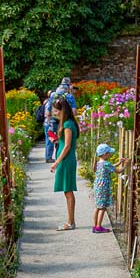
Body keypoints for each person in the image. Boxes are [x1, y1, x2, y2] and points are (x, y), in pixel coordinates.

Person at [48, 96, 79, 230]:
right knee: (67, 190)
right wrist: (55, 141)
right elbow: (67, 144)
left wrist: (56, 162)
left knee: (68, 191)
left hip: (66, 160)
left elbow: (67, 146)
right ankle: (70, 221)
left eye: (56, 111)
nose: (54, 113)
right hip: (67, 159)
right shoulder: (69, 123)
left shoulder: (67, 124)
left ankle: (70, 222)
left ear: (62, 110)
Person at [90, 143, 117, 234]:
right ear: (105, 154)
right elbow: (118, 171)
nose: (110, 154)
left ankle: (94, 226)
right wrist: (126, 165)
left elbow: (111, 166)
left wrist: (119, 163)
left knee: (97, 207)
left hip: (97, 188)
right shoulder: (106, 163)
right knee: (103, 208)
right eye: (109, 153)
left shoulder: (98, 163)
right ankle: (99, 227)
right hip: (103, 189)